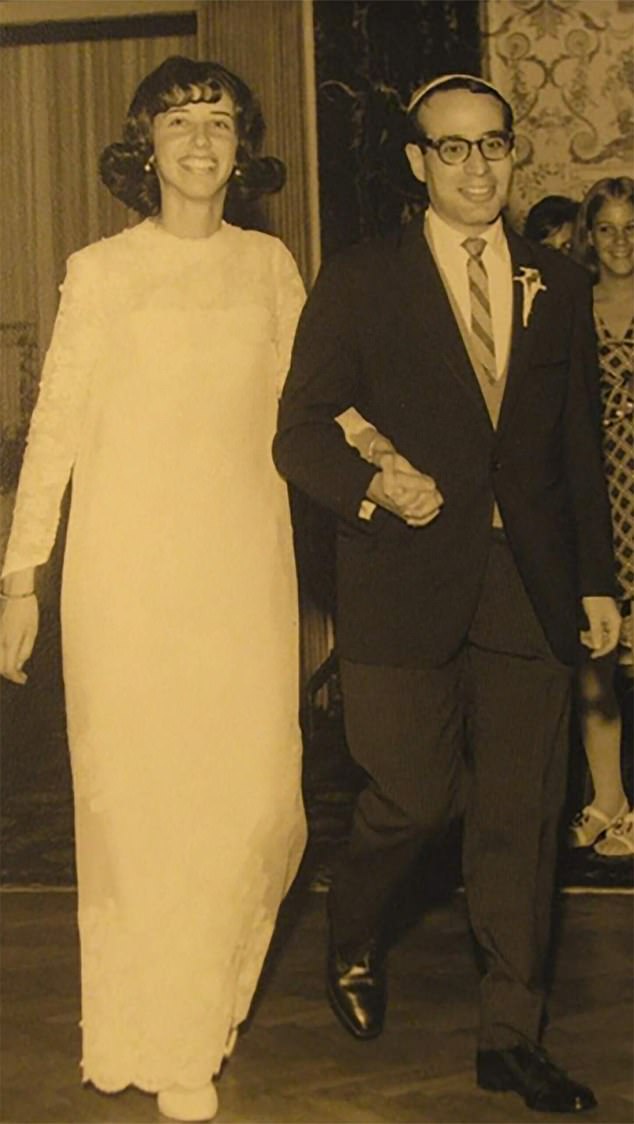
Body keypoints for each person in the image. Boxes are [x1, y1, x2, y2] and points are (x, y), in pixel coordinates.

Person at [274, 74, 621, 1115]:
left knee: (522, 818)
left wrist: (598, 582)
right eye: (453, 149)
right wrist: (373, 487)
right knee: (413, 797)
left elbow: (572, 455)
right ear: (417, 163)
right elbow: (297, 430)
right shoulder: (362, 278)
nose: (478, 166)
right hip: (400, 582)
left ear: (514, 156)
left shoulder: (553, 282)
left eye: (494, 146)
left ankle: (510, 1035)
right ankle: (354, 920)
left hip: (528, 587)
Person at [0, 56, 307, 1123]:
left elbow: (308, 412)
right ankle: (161, 1036)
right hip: (127, 576)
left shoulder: (270, 265)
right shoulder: (101, 269)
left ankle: (199, 1012)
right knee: (141, 810)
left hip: (243, 572)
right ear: (145, 145)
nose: (200, 137)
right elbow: (55, 433)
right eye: (179, 119)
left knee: (256, 804)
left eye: (220, 119)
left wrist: (382, 472)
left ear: (240, 148)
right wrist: (19, 573)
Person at [567, 176, 634, 857]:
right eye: (607, 228)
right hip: (597, 502)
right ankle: (607, 799)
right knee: (596, 667)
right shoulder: (572, 307)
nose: (620, 242)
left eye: (631, 227)